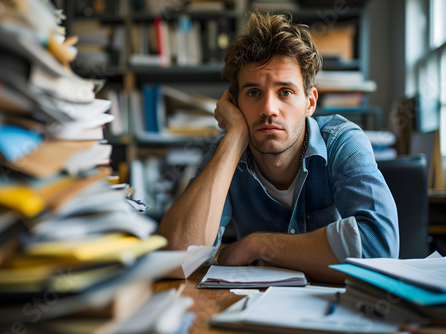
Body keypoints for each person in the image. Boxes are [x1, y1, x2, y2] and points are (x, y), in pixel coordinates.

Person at [158, 12, 399, 283]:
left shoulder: (342, 142)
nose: (268, 110)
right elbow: (175, 260)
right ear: (235, 104)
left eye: (285, 92)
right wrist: (235, 135)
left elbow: (380, 250)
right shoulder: (226, 153)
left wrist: (258, 245)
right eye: (253, 93)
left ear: (310, 102)